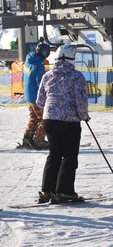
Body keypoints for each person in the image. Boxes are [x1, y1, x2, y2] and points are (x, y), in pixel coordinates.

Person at [36, 44, 89, 204]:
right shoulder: (76, 76)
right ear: (72, 59)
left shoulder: (48, 75)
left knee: (55, 154)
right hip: (69, 121)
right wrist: (84, 116)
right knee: (70, 156)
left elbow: (40, 100)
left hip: (49, 120)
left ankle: (47, 190)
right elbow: (81, 100)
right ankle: (64, 191)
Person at [21, 42, 51, 150]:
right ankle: (39, 140)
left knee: (34, 117)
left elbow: (23, 77)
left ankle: (27, 138)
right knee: (45, 119)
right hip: (36, 97)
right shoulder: (38, 66)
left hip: (29, 95)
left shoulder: (28, 60)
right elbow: (41, 84)